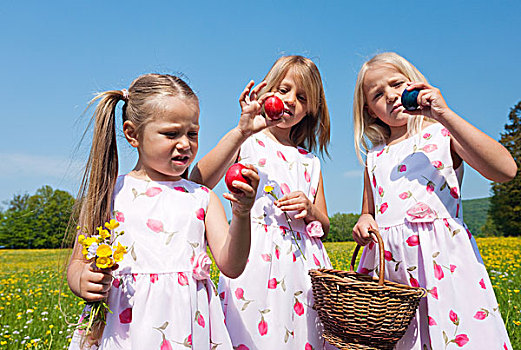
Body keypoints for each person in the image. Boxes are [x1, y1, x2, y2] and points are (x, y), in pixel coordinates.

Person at [67, 73, 259, 349]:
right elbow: (77, 264)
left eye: (192, 133)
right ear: (132, 134)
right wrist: (82, 281)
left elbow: (232, 265)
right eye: (171, 133)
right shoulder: (108, 195)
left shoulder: (202, 199)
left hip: (187, 329)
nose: (185, 143)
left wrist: (242, 213)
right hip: (125, 330)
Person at [351, 52, 516, 349]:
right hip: (390, 274)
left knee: (453, 333)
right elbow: (368, 213)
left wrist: (444, 114)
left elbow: (505, 170)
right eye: (378, 94)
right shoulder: (374, 157)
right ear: (370, 111)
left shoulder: (442, 134)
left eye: (397, 84)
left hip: (443, 263)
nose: (390, 95)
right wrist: (364, 221)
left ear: (415, 85)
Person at [190, 55, 335, 349]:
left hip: (303, 268)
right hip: (252, 259)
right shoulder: (247, 142)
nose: (291, 100)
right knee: (253, 334)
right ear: (267, 91)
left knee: (302, 335)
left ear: (311, 110)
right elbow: (198, 182)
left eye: (302, 97)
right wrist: (242, 130)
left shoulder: (310, 162)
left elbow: (326, 224)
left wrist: (310, 209)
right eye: (283, 90)